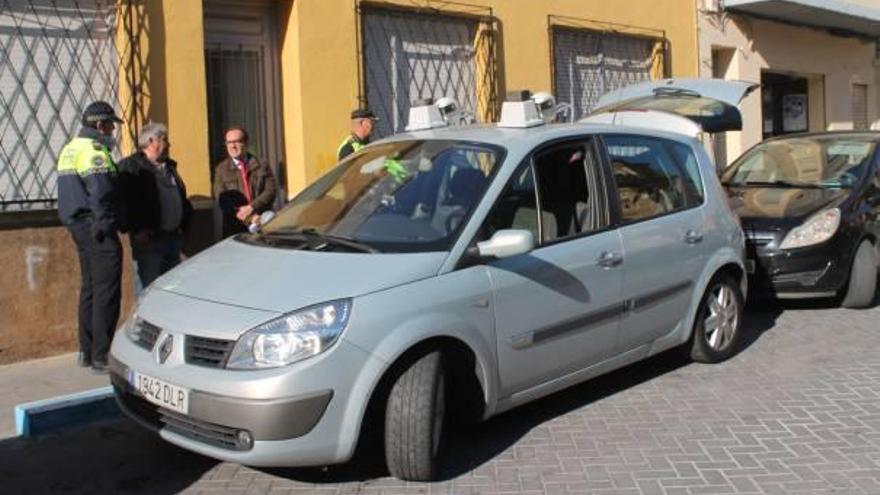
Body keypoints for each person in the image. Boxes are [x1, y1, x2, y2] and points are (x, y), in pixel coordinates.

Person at [56, 101, 123, 373]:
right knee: (107, 290)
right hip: (96, 229)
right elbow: (101, 193)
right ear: (98, 124)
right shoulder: (94, 151)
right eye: (109, 125)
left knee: (90, 288)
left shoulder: (69, 149)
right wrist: (104, 226)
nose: (111, 131)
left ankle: (86, 350)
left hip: (77, 227)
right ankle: (102, 354)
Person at [118, 123, 193, 289]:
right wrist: (136, 229)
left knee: (172, 290)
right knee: (148, 289)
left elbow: (181, 196)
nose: (169, 144)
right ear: (152, 141)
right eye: (165, 140)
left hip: (173, 238)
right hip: (149, 240)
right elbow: (124, 202)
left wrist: (184, 225)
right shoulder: (131, 166)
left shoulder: (169, 167)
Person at [213, 126, 278, 238]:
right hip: (236, 228)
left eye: (236, 142)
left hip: (263, 223)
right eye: (229, 142)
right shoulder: (221, 170)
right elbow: (222, 199)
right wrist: (250, 218)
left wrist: (252, 207)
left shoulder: (261, 165)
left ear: (246, 143)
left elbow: (270, 190)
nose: (232, 146)